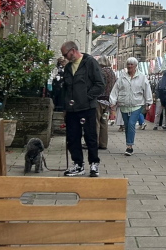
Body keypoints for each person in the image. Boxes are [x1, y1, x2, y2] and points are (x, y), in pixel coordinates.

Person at [59, 41, 105, 177]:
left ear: (73, 50)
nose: (64, 57)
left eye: (65, 54)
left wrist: (87, 97)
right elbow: (66, 89)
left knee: (90, 136)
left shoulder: (90, 62)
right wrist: (65, 107)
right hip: (72, 109)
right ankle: (78, 165)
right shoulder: (68, 68)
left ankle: (94, 164)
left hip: (87, 107)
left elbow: (100, 84)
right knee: (73, 138)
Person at [109, 57, 153, 156]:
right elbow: (115, 90)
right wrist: (113, 101)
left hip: (137, 104)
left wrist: (148, 102)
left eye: (131, 64)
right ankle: (129, 144)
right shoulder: (122, 77)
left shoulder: (142, 77)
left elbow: (147, 89)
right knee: (127, 125)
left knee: (131, 124)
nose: (129, 66)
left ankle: (129, 146)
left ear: (136, 66)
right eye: (128, 64)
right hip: (124, 105)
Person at [96, 56, 117, 150]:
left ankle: (94, 142)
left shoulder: (101, 72)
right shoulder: (113, 73)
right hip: (108, 100)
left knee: (96, 122)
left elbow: (98, 85)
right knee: (104, 122)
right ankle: (103, 143)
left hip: (99, 99)